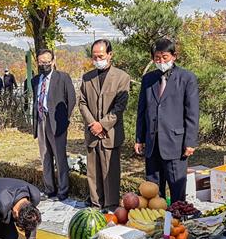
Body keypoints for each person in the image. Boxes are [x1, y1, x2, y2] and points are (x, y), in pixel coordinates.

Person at [135, 39, 199, 203]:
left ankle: (177, 219)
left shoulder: (186, 78)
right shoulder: (148, 79)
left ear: (174, 56)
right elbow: (142, 110)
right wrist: (139, 138)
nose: (161, 62)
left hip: (175, 142)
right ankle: (158, 219)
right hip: (152, 141)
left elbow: (192, 112)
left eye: (165, 57)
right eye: (157, 58)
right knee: (153, 186)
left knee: (176, 184)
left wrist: (190, 142)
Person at [79, 39, 130, 210]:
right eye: (94, 57)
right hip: (92, 132)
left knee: (111, 171)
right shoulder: (87, 78)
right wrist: (93, 123)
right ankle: (95, 204)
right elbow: (82, 102)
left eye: (100, 56)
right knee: (93, 172)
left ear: (110, 55)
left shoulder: (122, 77)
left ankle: (111, 204)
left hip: (110, 133)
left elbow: (120, 106)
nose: (97, 59)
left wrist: (103, 125)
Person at [31, 49, 76, 201]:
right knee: (45, 156)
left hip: (57, 122)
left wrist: (64, 119)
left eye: (47, 62)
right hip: (41, 120)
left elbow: (71, 99)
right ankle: (49, 188)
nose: (44, 65)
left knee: (59, 157)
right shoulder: (36, 80)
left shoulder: (63, 77)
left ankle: (63, 190)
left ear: (53, 61)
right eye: (41, 62)